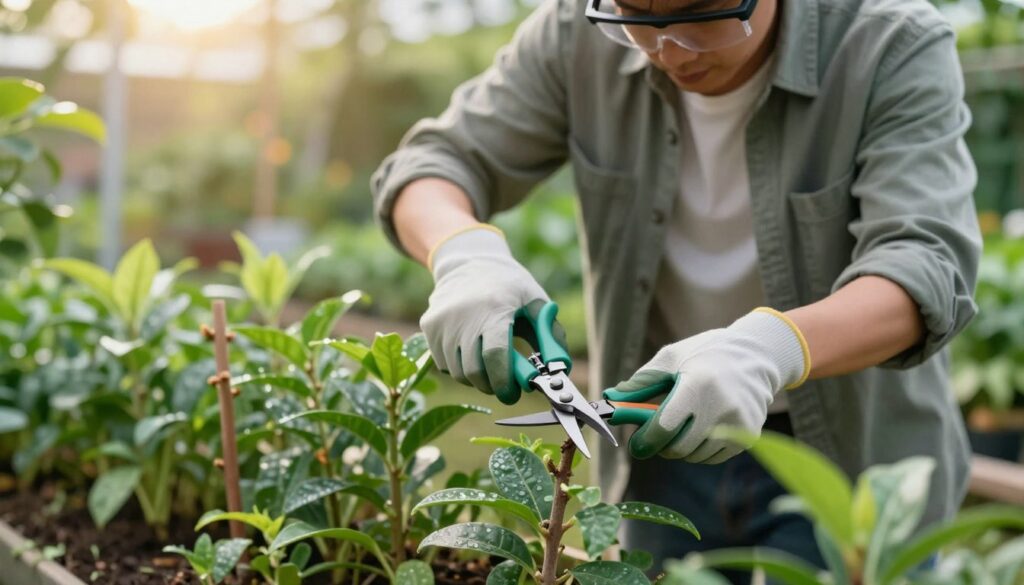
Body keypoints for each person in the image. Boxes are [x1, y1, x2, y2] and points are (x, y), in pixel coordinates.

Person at [371, 0, 981, 575]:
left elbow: (925, 265)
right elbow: (435, 162)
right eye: (636, 16)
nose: (670, 48)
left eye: (704, 13)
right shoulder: (574, 32)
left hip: (854, 455)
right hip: (658, 437)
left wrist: (769, 349)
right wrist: (465, 253)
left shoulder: (889, 41)